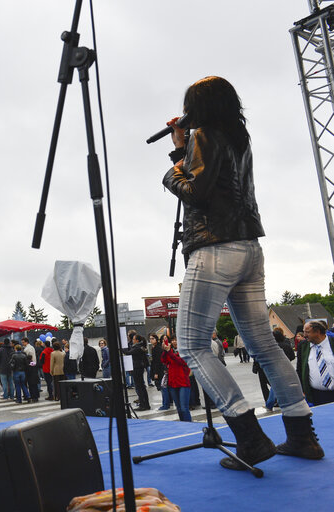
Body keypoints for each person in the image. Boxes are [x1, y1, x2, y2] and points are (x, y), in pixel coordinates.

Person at [162, 76, 323, 469]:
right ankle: (301, 434)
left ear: (199, 107)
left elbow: (195, 192)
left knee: (192, 346)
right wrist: (181, 149)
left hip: (215, 249)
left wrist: (171, 172)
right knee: (265, 346)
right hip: (249, 246)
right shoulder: (238, 137)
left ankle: (249, 438)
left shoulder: (204, 135)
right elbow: (211, 181)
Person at [296, 321, 334, 406]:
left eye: (307, 332)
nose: (304, 335)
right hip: (316, 396)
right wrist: (301, 390)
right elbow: (300, 370)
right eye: (304, 331)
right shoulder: (303, 346)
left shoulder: (332, 342)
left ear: (317, 332)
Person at [161, 337, 191, 421]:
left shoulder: (185, 351)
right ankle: (183, 424)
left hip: (183, 382)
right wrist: (164, 350)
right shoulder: (170, 351)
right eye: (172, 340)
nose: (174, 341)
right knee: (179, 408)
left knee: (184, 408)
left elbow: (180, 361)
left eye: (176, 339)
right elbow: (163, 360)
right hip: (173, 382)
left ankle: (190, 426)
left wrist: (168, 352)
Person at [123, 334, 150, 411]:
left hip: (137, 368)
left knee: (139, 387)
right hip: (139, 368)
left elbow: (128, 352)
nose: (132, 340)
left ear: (137, 340)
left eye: (134, 339)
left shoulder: (137, 347)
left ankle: (143, 405)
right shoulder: (140, 347)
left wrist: (121, 347)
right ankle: (146, 404)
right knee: (141, 386)